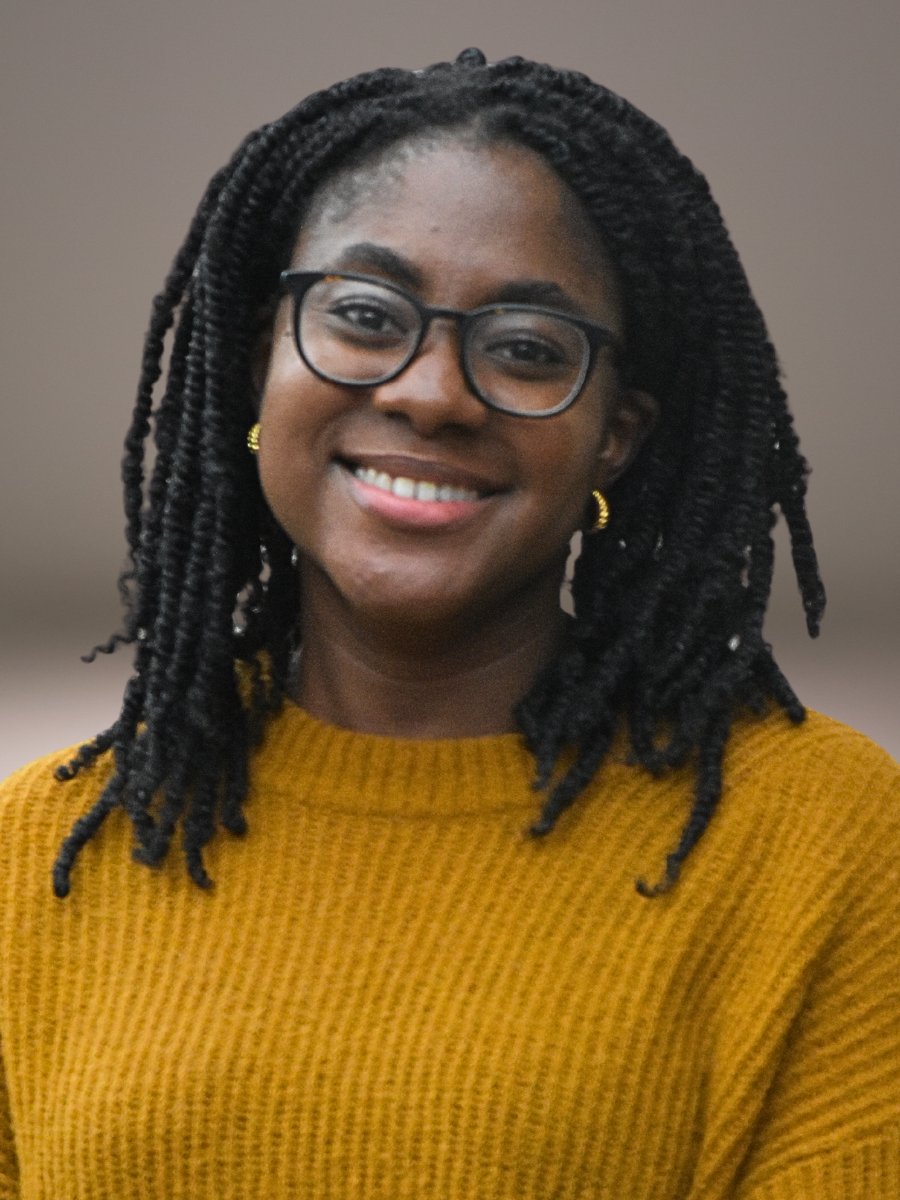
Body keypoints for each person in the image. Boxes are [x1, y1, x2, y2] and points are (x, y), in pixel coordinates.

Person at [0, 47, 897, 1199]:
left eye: (526, 348)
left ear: (614, 435)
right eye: (366, 316)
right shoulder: (32, 864)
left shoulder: (816, 846)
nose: (430, 392)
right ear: (256, 363)